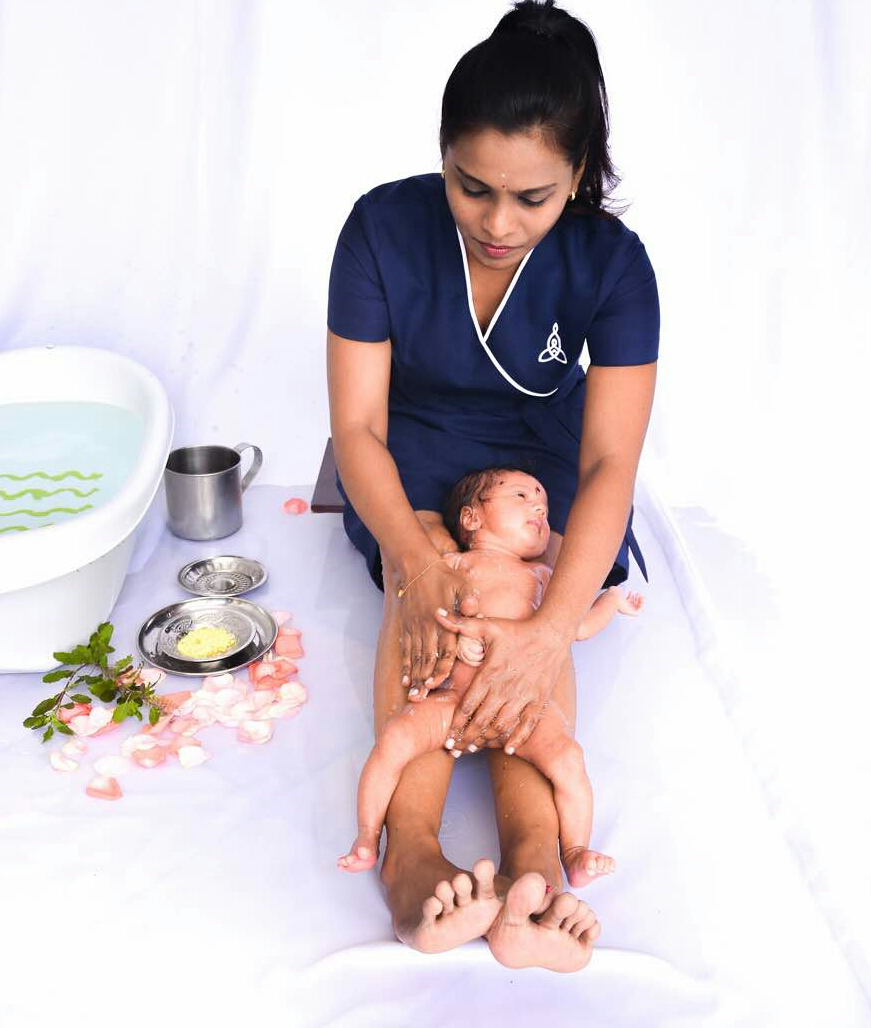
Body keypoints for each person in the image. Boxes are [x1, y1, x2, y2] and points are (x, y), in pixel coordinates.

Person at [327, 0, 659, 972]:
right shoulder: (380, 231)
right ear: (442, 156)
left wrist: (553, 624)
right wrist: (420, 561)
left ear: (578, 182)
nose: (498, 223)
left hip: (538, 466)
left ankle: (533, 866)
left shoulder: (616, 266)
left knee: (525, 593)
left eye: (534, 199)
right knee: (435, 579)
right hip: (411, 456)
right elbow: (356, 428)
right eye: (473, 188)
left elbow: (608, 464)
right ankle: (412, 852)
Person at [338, 467, 644, 885]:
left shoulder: (543, 578)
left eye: (543, 502)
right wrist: (453, 633)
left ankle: (573, 850)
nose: (539, 505)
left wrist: (611, 602)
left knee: (568, 760)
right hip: (448, 701)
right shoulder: (449, 567)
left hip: (520, 709)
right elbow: (427, 609)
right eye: (521, 496)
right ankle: (369, 836)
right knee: (393, 741)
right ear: (471, 519)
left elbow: (577, 627)